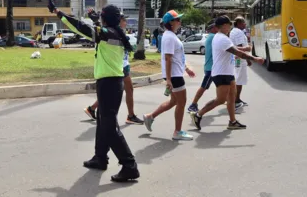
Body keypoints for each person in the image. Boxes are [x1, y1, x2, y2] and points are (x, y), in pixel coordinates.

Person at [47, 0, 139, 182]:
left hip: (109, 84)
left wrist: (58, 12)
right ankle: (100, 158)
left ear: (106, 19)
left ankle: (129, 165)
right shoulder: (116, 33)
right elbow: (97, 28)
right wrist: (97, 19)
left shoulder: (107, 34)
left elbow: (80, 27)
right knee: (102, 121)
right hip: (111, 83)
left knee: (109, 127)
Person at [190, 16, 264, 130]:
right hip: (221, 73)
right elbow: (237, 52)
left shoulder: (223, 37)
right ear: (224, 25)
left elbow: (236, 49)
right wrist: (255, 58)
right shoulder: (221, 38)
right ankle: (198, 115)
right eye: (229, 24)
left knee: (231, 98)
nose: (230, 26)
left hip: (228, 72)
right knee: (220, 100)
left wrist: (246, 52)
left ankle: (232, 121)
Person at [143, 10, 196, 141]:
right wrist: (168, 79)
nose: (180, 21)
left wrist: (186, 68)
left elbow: (177, 58)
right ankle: (177, 132)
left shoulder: (171, 36)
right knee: (181, 102)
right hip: (174, 76)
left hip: (176, 74)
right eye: (177, 19)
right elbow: (168, 59)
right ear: (171, 22)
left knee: (174, 101)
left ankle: (150, 117)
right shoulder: (169, 37)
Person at [84, 13, 144, 125]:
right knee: (119, 92)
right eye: (123, 20)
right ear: (118, 21)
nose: (125, 22)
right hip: (118, 67)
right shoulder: (111, 33)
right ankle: (129, 116)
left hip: (123, 65)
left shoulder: (119, 32)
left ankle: (92, 108)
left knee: (116, 92)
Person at [187, 20, 217, 113]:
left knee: (223, 86)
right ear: (213, 29)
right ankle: (193, 104)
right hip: (211, 68)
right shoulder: (213, 37)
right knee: (204, 87)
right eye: (217, 27)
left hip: (213, 67)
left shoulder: (211, 37)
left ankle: (228, 101)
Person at [230, 17, 251, 108]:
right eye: (244, 23)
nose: (245, 24)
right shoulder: (238, 32)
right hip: (239, 58)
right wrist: (248, 58)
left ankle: (237, 98)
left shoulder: (234, 31)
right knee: (239, 80)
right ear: (238, 23)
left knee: (239, 79)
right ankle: (235, 100)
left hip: (237, 58)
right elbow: (239, 47)